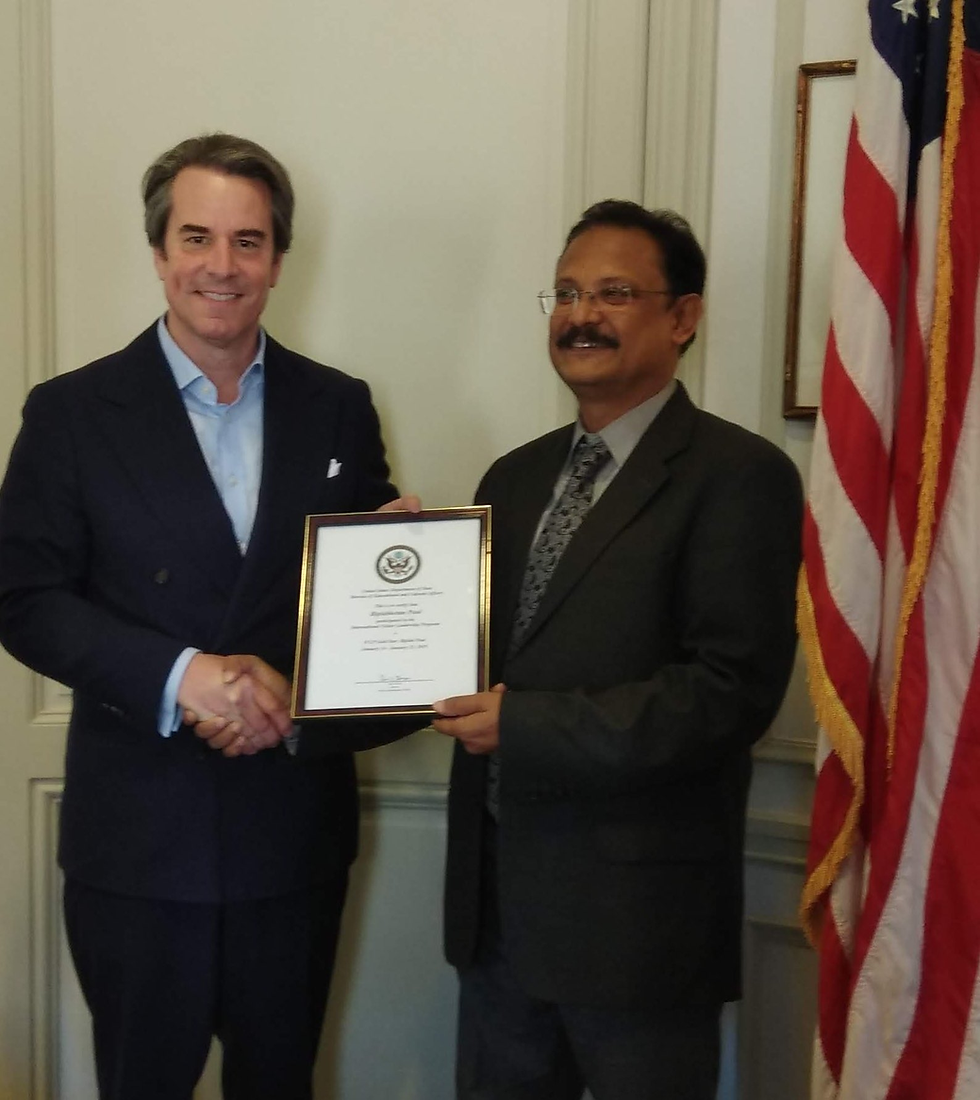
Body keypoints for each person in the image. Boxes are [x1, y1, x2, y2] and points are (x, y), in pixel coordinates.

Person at [0, 133, 415, 1100]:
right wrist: (183, 675)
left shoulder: (339, 407)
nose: (221, 266)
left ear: (278, 259)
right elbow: (22, 597)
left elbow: (360, 611)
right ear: (158, 251)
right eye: (197, 237)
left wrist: (404, 574)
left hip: (291, 832)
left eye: (248, 241)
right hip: (138, 841)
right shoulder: (69, 413)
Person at [433, 200, 803, 1100]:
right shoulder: (512, 478)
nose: (581, 316)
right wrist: (397, 575)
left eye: (614, 293)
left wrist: (526, 726)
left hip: (640, 930)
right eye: (565, 293)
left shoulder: (740, 477)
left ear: (683, 317)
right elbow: (471, 659)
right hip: (497, 920)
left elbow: (728, 693)